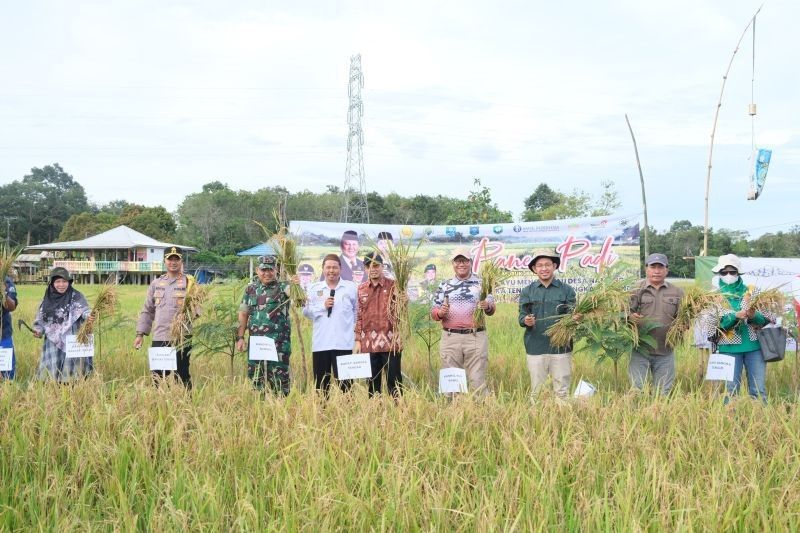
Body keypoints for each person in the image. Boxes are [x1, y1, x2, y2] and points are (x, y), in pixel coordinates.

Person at [431, 247, 495, 394]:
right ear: (453, 263)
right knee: (451, 379)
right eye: (458, 261)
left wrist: (487, 306)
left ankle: (480, 412)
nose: (461, 264)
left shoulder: (482, 283)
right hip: (450, 337)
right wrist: (440, 313)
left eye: (464, 260)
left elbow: (491, 309)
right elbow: (434, 312)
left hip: (475, 336)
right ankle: (453, 413)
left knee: (477, 378)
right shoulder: (445, 285)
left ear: (470, 262)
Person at [711, 253, 774, 402]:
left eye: (732, 271)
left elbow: (766, 319)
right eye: (724, 272)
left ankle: (759, 421)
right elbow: (712, 326)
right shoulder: (714, 296)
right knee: (731, 391)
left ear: (738, 272)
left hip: (755, 349)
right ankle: (730, 421)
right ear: (718, 273)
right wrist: (734, 316)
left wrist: (753, 315)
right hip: (728, 349)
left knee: (758, 390)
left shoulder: (753, 292)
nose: (728, 275)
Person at [518, 250, 577, 400]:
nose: (544, 268)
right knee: (538, 391)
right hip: (535, 347)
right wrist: (526, 321)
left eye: (547, 265)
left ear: (554, 266)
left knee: (562, 391)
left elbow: (573, 315)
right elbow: (522, 316)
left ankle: (563, 421)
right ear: (534, 269)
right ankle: (538, 421)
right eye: (540, 265)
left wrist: (576, 318)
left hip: (561, 347)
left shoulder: (567, 290)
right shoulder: (527, 291)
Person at [134, 246, 196, 388]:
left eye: (176, 259)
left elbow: (197, 308)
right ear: (165, 261)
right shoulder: (156, 284)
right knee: (158, 376)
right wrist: (140, 334)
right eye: (170, 259)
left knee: (182, 374)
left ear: (181, 262)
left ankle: (186, 405)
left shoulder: (189, 283)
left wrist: (186, 315)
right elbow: (148, 310)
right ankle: (160, 404)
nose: (173, 262)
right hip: (160, 336)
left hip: (182, 337)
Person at [236, 255, 299, 395]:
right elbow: (243, 314)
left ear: (276, 269)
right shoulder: (250, 289)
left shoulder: (284, 287)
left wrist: (297, 285)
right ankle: (259, 408)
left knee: (280, 381)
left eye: (270, 269)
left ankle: (281, 410)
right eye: (263, 270)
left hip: (278, 344)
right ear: (257, 270)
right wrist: (240, 337)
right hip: (257, 343)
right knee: (256, 378)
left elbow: (299, 298)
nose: (267, 273)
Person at [628, 253, 684, 395]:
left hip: (666, 350)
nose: (657, 271)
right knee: (637, 390)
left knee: (663, 393)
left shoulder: (677, 292)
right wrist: (630, 317)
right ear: (646, 269)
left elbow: (684, 318)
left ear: (667, 270)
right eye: (653, 267)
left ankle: (657, 416)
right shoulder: (636, 290)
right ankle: (637, 416)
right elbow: (623, 314)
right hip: (640, 349)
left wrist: (683, 326)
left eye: (660, 267)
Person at [304, 253, 358, 394]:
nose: (331, 271)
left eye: (334, 267)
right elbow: (306, 312)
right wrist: (323, 306)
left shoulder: (350, 288)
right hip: (321, 344)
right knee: (321, 387)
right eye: (328, 267)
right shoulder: (314, 288)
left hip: (344, 344)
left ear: (340, 269)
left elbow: (357, 313)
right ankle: (321, 414)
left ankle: (347, 413)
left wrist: (357, 337)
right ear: (323, 269)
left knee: (346, 388)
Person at [32, 267, 95, 382]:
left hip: (72, 338)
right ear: (52, 283)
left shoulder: (76, 296)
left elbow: (85, 310)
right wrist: (38, 330)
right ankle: (53, 386)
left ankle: (73, 386)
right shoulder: (47, 299)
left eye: (64, 281)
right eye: (58, 281)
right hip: (53, 340)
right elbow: (41, 319)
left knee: (74, 372)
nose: (61, 285)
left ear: (69, 282)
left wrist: (89, 315)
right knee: (52, 371)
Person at [355, 252, 403, 397]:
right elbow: (359, 316)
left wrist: (404, 301)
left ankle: (399, 414)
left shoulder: (394, 286)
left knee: (394, 383)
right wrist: (358, 340)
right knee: (372, 384)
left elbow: (402, 311)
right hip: (369, 343)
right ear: (365, 269)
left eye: (376, 265)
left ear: (382, 266)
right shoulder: (361, 289)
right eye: (369, 266)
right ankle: (375, 413)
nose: (373, 269)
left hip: (391, 343)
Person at [0, 272, 18, 380]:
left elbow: (12, 307)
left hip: (3, 333)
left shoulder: (6, 282)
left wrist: (3, 293)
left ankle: (8, 394)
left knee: (7, 375)